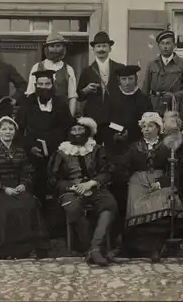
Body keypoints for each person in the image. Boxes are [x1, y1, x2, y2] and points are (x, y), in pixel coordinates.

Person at [0, 116, 50, 260]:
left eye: (11, 129)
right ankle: (6, 249)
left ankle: (28, 248)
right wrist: (4, 188)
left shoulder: (20, 151)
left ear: (15, 132)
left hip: (17, 186)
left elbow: (27, 171)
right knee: (8, 208)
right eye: (4, 129)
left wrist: (24, 184)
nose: (8, 132)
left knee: (29, 204)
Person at [48, 117, 118, 267]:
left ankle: (95, 247)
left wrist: (91, 183)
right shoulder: (61, 152)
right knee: (73, 208)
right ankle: (91, 249)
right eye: (73, 130)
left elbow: (107, 172)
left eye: (80, 129)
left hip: (94, 187)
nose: (77, 132)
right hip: (71, 190)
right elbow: (54, 179)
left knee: (110, 204)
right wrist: (72, 187)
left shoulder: (97, 149)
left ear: (87, 132)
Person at [120, 112, 183, 262]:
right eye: (144, 127)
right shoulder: (134, 147)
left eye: (150, 126)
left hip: (160, 180)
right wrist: (130, 180)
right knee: (137, 205)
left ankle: (157, 245)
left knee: (167, 201)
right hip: (139, 182)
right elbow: (122, 166)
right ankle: (141, 247)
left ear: (158, 128)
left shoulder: (167, 146)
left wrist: (162, 182)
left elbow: (174, 169)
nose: (147, 129)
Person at [105, 65, 153, 246]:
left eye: (130, 79)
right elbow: (105, 121)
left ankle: (135, 233)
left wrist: (132, 134)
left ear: (135, 79)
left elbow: (149, 124)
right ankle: (116, 232)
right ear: (119, 81)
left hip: (136, 149)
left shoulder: (142, 99)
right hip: (115, 149)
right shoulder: (111, 97)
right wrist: (114, 135)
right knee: (117, 189)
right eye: (123, 79)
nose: (127, 82)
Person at [16, 69, 75, 207]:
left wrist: (64, 149)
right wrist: (30, 148)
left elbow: (69, 127)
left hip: (57, 153)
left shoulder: (60, 103)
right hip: (33, 154)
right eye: (40, 84)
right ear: (35, 85)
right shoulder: (27, 102)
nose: (43, 88)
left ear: (52, 85)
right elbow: (18, 130)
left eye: (47, 84)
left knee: (56, 186)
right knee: (36, 188)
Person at [77, 31, 125, 147]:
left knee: (114, 147)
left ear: (110, 49)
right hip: (93, 119)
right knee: (93, 150)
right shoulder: (87, 71)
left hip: (114, 117)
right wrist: (86, 90)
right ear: (93, 49)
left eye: (104, 46)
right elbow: (79, 95)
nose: (101, 49)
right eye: (98, 46)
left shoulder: (120, 68)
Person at [26, 32, 78, 116]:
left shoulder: (68, 69)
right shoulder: (37, 67)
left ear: (63, 48)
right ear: (47, 48)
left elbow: (72, 97)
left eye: (58, 46)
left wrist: (70, 118)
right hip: (40, 113)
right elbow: (30, 93)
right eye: (52, 46)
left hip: (61, 115)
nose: (55, 49)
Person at [142, 30, 183, 115]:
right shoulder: (152, 64)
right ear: (158, 46)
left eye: (168, 43)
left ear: (174, 45)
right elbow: (145, 88)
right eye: (162, 43)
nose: (165, 47)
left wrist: (175, 95)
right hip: (154, 105)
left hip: (175, 106)